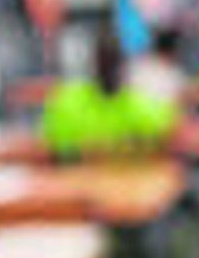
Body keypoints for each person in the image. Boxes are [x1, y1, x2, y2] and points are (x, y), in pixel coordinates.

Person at [40, 23, 178, 158]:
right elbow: (48, 150)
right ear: (94, 64)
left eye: (114, 62)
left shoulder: (144, 106)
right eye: (104, 62)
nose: (110, 70)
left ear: (124, 66)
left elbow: (174, 137)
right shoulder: (67, 104)